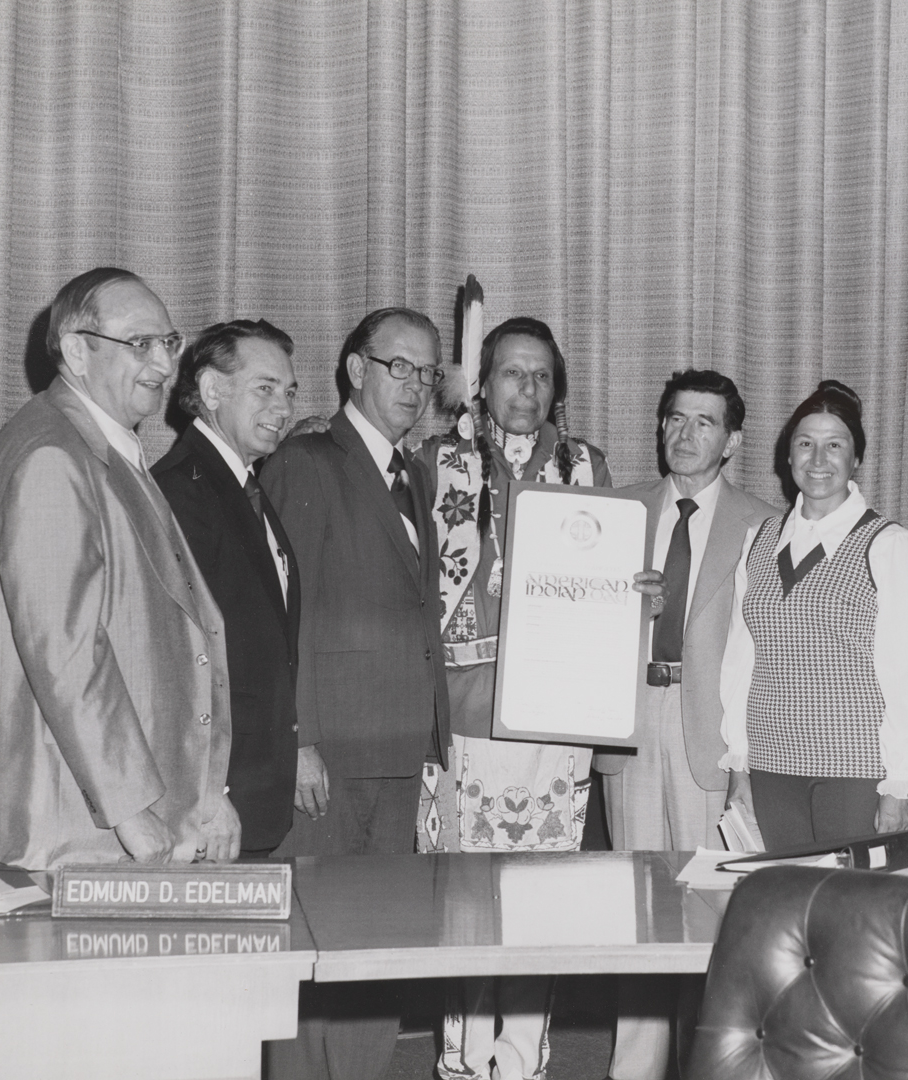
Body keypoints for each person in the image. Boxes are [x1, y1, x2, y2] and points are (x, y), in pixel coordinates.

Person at [0, 267, 237, 870]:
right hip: (73, 828)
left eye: (169, 342)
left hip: (115, 815)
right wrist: (128, 806)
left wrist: (205, 794)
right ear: (75, 351)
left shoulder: (101, 446)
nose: (165, 365)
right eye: (139, 344)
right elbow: (66, 652)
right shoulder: (51, 457)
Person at [261, 307, 450, 1080]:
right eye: (397, 366)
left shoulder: (414, 471)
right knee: (310, 951)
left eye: (427, 372)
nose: (413, 385)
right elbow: (284, 610)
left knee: (379, 955)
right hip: (330, 749)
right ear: (356, 370)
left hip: (398, 745)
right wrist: (298, 736)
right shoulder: (308, 461)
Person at [419, 316, 610, 1080]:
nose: (526, 389)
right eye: (510, 373)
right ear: (481, 382)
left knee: (542, 899)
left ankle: (523, 1056)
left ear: (555, 386)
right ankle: (462, 1059)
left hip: (554, 717)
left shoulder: (586, 465)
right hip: (463, 714)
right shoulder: (436, 462)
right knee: (464, 899)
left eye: (540, 375)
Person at [594, 369, 775, 1080]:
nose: (684, 434)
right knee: (636, 909)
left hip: (714, 734)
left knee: (712, 916)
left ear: (731, 438)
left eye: (703, 422)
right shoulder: (619, 510)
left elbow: (769, 648)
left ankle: (716, 1065)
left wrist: (750, 758)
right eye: (674, 418)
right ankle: (631, 1068)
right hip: (632, 722)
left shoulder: (764, 523)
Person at [720, 380, 908, 849]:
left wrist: (900, 782)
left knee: (853, 908)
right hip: (772, 763)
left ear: (855, 458)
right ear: (788, 456)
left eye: (834, 445)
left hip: (855, 769)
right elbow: (741, 660)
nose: (818, 460)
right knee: (790, 899)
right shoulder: (758, 540)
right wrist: (739, 763)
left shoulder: (889, 545)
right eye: (805, 444)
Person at [153, 319, 301, 857]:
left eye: (288, 392)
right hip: (212, 808)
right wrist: (206, 792)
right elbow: (175, 666)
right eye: (265, 388)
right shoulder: (182, 492)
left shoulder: (242, 487)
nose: (283, 408)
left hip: (250, 792)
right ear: (211, 390)